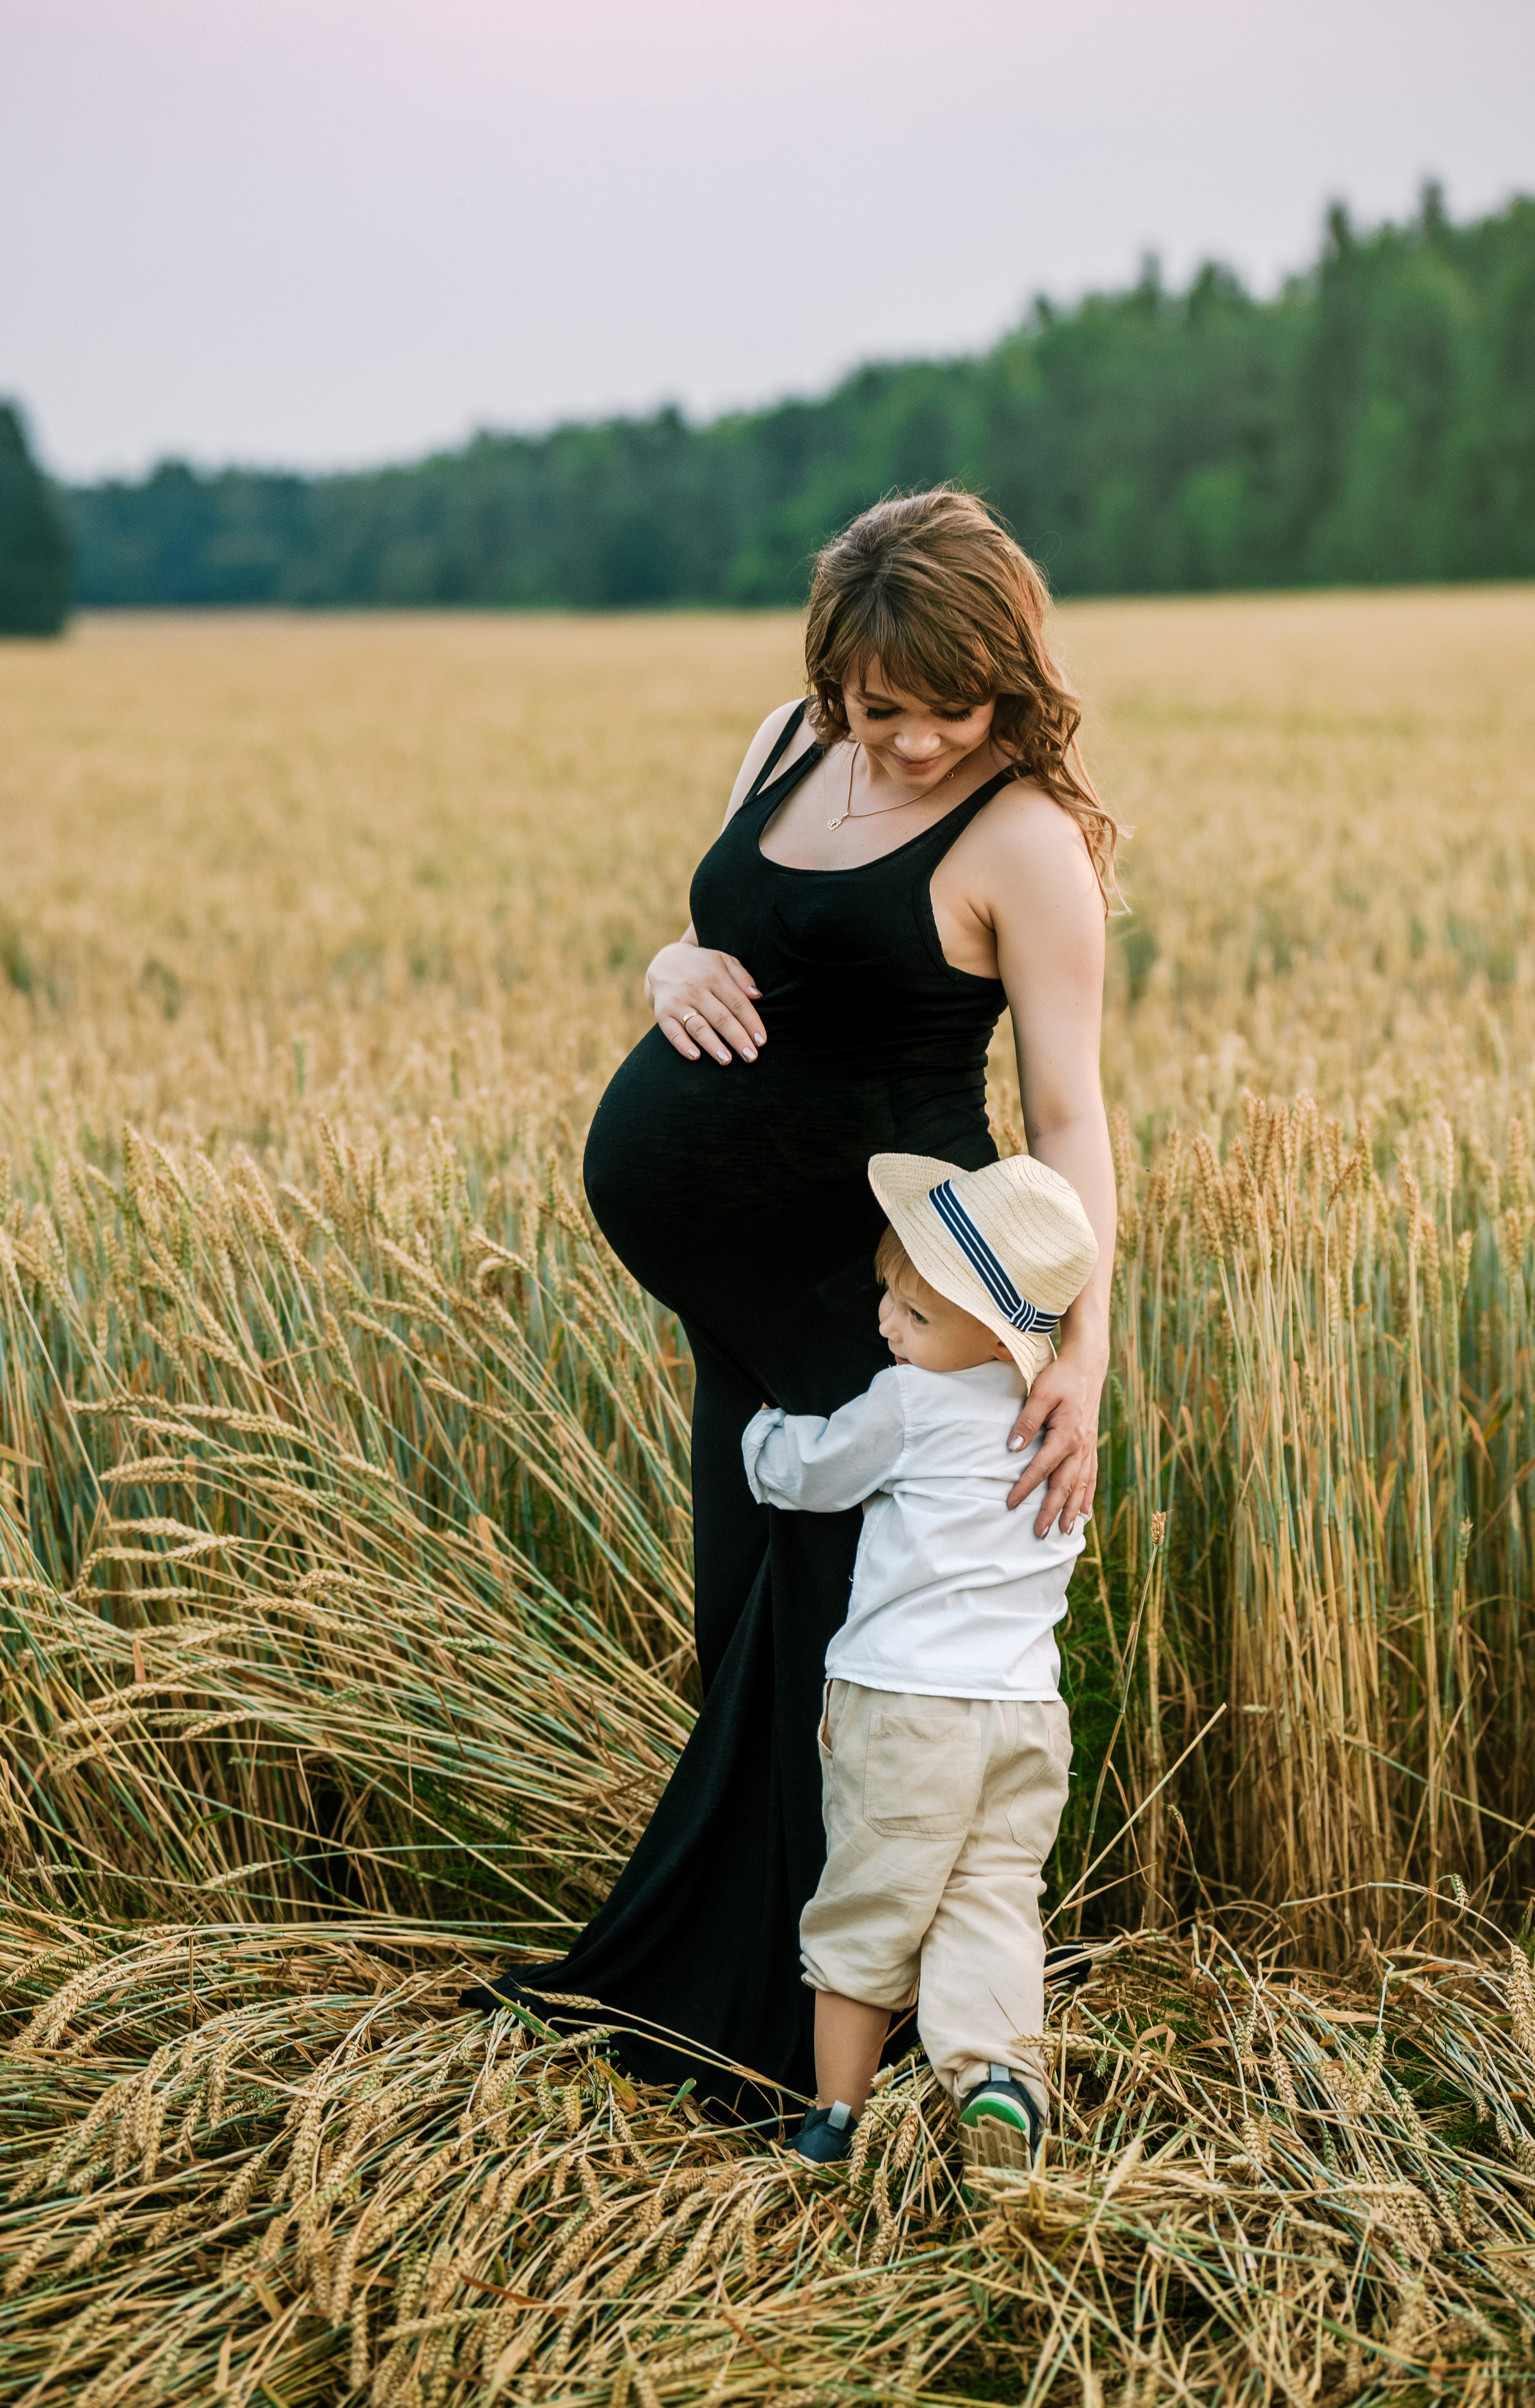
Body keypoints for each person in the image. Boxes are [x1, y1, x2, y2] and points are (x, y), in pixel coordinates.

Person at [497, 487, 1118, 2121]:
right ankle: (744, 1993)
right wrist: (662, 970)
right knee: (753, 1633)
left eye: (948, 711)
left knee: (863, 1670)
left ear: (1009, 678)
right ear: (834, 674)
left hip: (889, 1303)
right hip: (746, 1317)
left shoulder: (1026, 841)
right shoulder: (788, 739)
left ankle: (873, 2060)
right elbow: (729, 945)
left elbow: (1069, 1118)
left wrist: (1085, 1352)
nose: (909, 745)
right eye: (880, 708)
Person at [741, 1151, 1096, 2174]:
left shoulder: (908, 1406)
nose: (889, 1325)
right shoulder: (1062, 1437)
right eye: (888, 1297)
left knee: (868, 1906)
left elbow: (811, 1474)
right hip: (1027, 1716)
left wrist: (758, 1437)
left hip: (907, 1710)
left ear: (997, 1335)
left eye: (918, 1315)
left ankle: (834, 2121)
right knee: (993, 1901)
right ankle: (997, 2087)